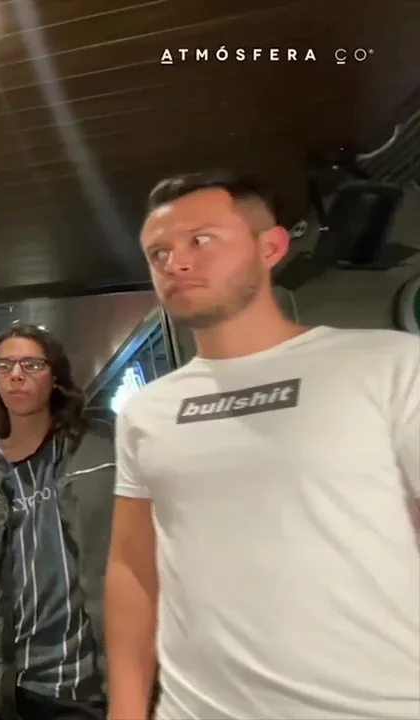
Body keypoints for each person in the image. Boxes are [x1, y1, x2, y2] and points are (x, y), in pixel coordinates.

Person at [106, 171, 420, 720]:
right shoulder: (145, 411)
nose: (176, 263)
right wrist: (126, 711)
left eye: (201, 240)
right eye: (159, 253)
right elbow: (133, 569)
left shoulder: (389, 364)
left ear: (270, 247)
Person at [0, 324, 114, 720]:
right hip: (3, 689)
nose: (16, 374)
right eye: (5, 365)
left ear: (55, 376)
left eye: (31, 364)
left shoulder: (100, 447)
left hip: (88, 686)